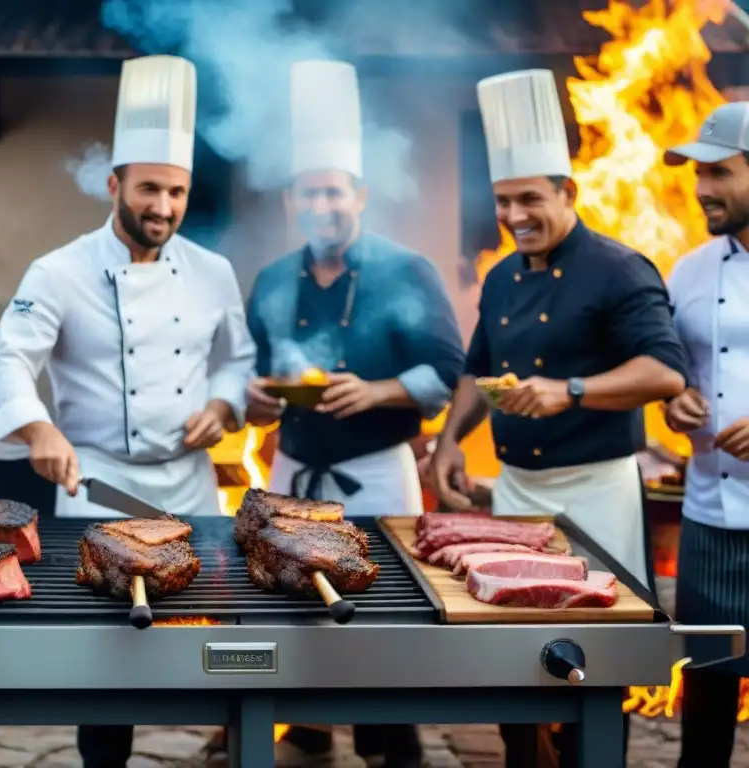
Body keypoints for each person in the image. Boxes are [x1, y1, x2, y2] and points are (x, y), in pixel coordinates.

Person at [0, 54, 256, 768]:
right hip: (97, 488)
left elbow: (238, 356)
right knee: (104, 656)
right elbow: (6, 359)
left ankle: (235, 747)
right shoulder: (59, 271)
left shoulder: (212, 271)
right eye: (150, 189)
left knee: (219, 640)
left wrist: (224, 402)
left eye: (177, 192)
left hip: (191, 484)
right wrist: (36, 426)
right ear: (114, 184)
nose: (163, 206)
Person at [429, 68, 687, 767]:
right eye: (505, 201)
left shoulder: (620, 269)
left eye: (531, 199)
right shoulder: (503, 276)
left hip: (595, 489)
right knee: (512, 660)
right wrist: (449, 441)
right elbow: (477, 368)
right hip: (517, 492)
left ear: (568, 193)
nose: (515, 216)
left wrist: (568, 390)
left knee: (595, 664)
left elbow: (664, 371)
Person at [243, 60, 466, 768]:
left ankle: (391, 742)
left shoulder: (407, 271)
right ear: (291, 201)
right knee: (289, 600)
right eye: (308, 193)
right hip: (295, 466)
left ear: (360, 194)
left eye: (334, 191)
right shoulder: (275, 278)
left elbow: (449, 370)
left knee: (385, 610)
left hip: (376, 472)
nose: (322, 206)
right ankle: (305, 723)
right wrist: (255, 395)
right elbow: (254, 368)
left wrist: (378, 391)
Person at [661, 102, 749, 768]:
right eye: (697, 174)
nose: (701, 190)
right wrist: (676, 406)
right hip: (708, 520)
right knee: (706, 700)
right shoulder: (687, 272)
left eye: (718, 172)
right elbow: (676, 379)